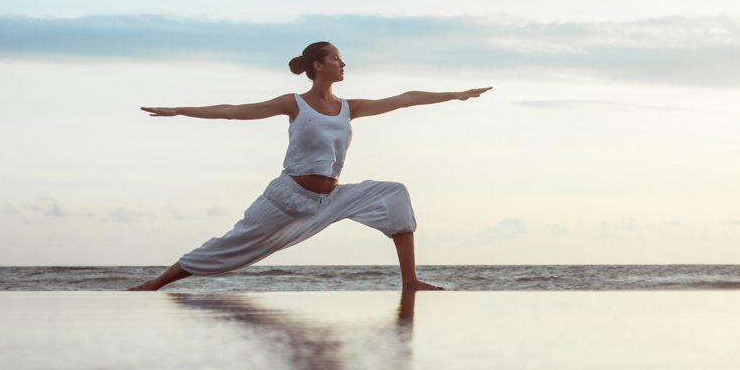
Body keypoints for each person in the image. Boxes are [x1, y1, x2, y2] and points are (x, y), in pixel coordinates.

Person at [128, 41, 490, 291]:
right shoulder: (294, 104)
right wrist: (178, 110)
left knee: (394, 193)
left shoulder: (350, 107)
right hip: (287, 197)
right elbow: (233, 112)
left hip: (329, 198)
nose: (343, 63)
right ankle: (155, 284)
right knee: (232, 246)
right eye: (337, 58)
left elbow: (404, 99)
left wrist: (455, 94)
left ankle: (410, 280)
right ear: (318, 66)